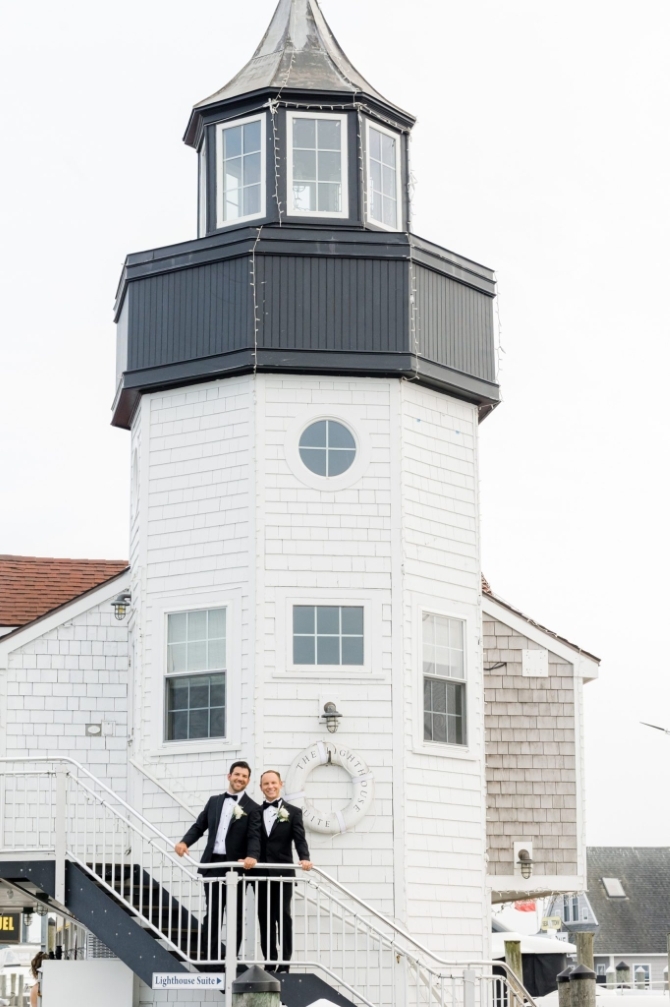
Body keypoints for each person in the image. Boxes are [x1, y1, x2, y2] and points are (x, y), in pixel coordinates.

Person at [175, 761, 261, 967]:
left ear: (248, 781)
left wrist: (252, 856)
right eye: (237, 774)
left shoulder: (253, 808)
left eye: (244, 776)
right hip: (212, 864)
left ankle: (231, 958)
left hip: (237, 867)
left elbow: (254, 836)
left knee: (235, 915)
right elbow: (199, 826)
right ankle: (210, 956)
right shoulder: (213, 802)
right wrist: (184, 842)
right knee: (213, 912)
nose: (240, 778)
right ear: (229, 776)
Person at [255, 770, 312, 972]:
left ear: (280, 784)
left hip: (283, 873)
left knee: (283, 917)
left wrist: (304, 858)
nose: (270, 787)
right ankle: (270, 961)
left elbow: (299, 839)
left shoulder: (294, 812)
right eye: (265, 784)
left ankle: (285, 963)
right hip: (260, 875)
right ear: (261, 787)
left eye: (273, 783)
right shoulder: (255, 812)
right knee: (265, 918)